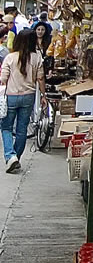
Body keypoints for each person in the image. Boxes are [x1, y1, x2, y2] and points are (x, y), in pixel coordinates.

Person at [1, 29, 44, 172]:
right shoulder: (37, 57)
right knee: (21, 129)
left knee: (6, 127)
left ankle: (10, 156)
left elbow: (3, 79)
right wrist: (44, 96)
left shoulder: (10, 57)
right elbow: (41, 78)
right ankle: (15, 158)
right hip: (28, 97)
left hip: (11, 96)